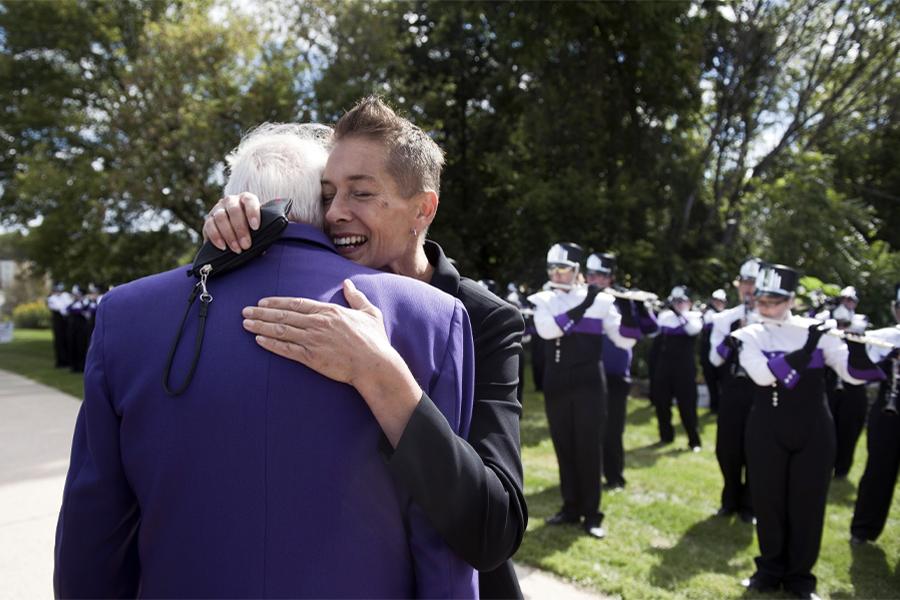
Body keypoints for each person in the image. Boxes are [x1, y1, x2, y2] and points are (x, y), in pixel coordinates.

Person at [54, 123, 479, 598]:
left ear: (234, 202)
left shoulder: (125, 315)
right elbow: (440, 537)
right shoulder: (430, 316)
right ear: (322, 205)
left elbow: (95, 521)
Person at [202, 97, 527, 598]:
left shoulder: (486, 320)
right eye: (328, 194)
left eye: (361, 194)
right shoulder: (308, 296)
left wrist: (381, 376)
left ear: (423, 208)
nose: (334, 214)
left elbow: (495, 528)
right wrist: (235, 225)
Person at [732, 264, 883, 599]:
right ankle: (768, 571)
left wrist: (856, 344)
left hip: (814, 429)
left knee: (808, 505)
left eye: (773, 302)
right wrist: (805, 350)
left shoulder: (816, 331)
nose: (765, 308)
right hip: (766, 428)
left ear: (789, 301)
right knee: (769, 502)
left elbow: (855, 375)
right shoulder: (751, 333)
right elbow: (762, 375)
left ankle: (801, 578)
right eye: (762, 301)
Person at [528, 243, 638, 539]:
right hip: (557, 380)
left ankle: (592, 514)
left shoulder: (601, 301)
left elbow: (625, 340)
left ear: (576, 271)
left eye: (563, 269)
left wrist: (632, 314)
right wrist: (583, 305)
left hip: (590, 382)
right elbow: (549, 331)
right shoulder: (544, 299)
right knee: (564, 445)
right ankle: (570, 507)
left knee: (588, 447)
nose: (557, 274)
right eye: (553, 269)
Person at [584, 251, 657, 490]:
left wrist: (636, 306)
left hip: (615, 375)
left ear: (610, 278)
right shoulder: (579, 298)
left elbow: (648, 329)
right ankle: (589, 477)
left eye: (601, 276)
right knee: (587, 430)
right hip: (586, 374)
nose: (595, 280)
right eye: (591, 275)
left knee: (613, 430)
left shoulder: (620, 300)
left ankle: (614, 477)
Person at [709, 258, 762, 523]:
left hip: (759, 391)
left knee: (755, 448)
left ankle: (750, 505)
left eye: (754, 284)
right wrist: (731, 339)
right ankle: (729, 498)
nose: (749, 289)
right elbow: (714, 359)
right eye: (745, 283)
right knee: (727, 448)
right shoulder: (725, 318)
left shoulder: (770, 321)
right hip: (733, 390)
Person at [850, 284, 900, 545]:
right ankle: (863, 529)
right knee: (878, 471)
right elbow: (859, 371)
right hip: (887, 415)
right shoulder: (885, 337)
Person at [825, 285, 870, 478]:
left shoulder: (862, 322)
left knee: (849, 428)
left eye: (851, 300)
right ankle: (824, 462)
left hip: (853, 387)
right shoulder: (826, 319)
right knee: (827, 427)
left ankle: (842, 468)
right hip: (830, 382)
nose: (847, 303)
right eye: (844, 299)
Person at [652, 285, 704, 450]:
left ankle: (694, 440)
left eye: (682, 301)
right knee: (661, 402)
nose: (678, 304)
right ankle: (666, 436)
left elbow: (692, 330)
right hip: (665, 365)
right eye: (675, 301)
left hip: (685, 368)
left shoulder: (693, 317)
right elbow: (652, 331)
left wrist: (679, 313)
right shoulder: (665, 317)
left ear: (689, 302)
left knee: (687, 405)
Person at [700, 288, 727, 413]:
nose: (718, 303)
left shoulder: (726, 315)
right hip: (707, 352)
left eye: (720, 301)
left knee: (722, 380)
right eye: (715, 301)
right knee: (710, 379)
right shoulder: (708, 314)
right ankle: (713, 406)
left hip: (722, 352)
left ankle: (722, 406)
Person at [46, 283, 73, 368]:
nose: (59, 292)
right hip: (58, 319)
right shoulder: (51, 298)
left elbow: (69, 304)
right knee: (59, 340)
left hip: (66, 319)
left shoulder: (65, 296)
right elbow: (58, 308)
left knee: (67, 339)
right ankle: (61, 361)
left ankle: (68, 360)